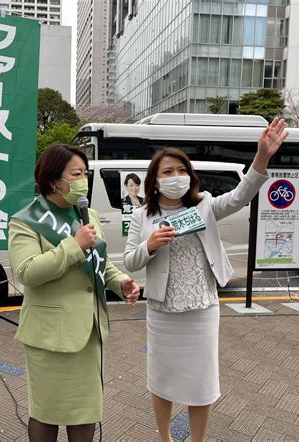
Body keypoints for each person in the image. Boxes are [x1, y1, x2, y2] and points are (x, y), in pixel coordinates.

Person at [123, 117, 288, 442]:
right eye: (167, 172)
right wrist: (149, 246)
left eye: (181, 170)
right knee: (162, 379)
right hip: (162, 311)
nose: (176, 177)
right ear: (153, 181)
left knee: (201, 382)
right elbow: (130, 260)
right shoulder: (142, 216)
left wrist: (262, 157)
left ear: (191, 175)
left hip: (201, 309)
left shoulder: (204, 205)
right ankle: (165, 438)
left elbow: (240, 196)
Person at [8, 144, 140, 442]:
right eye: (77, 174)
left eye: (86, 173)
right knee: (47, 412)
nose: (84, 180)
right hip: (50, 337)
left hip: (89, 332)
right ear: (54, 179)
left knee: (85, 411)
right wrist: (73, 245)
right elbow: (28, 272)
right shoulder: (26, 219)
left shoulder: (87, 213)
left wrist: (120, 283)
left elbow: (99, 264)